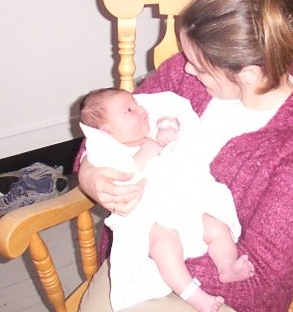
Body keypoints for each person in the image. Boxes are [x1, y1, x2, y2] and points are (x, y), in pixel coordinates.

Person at [77, 0, 293, 312]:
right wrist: (90, 175)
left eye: (199, 66)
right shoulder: (184, 77)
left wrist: (161, 259)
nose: (186, 69)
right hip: (145, 254)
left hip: (224, 288)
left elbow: (260, 276)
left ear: (249, 74)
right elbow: (108, 129)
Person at [79, 88, 254, 312]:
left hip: (185, 206)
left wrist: (168, 125)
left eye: (136, 104)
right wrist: (145, 152)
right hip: (152, 219)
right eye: (129, 110)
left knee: (217, 227)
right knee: (164, 246)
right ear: (107, 131)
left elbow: (175, 118)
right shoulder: (111, 152)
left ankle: (227, 266)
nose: (141, 110)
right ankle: (194, 295)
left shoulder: (152, 129)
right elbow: (121, 178)